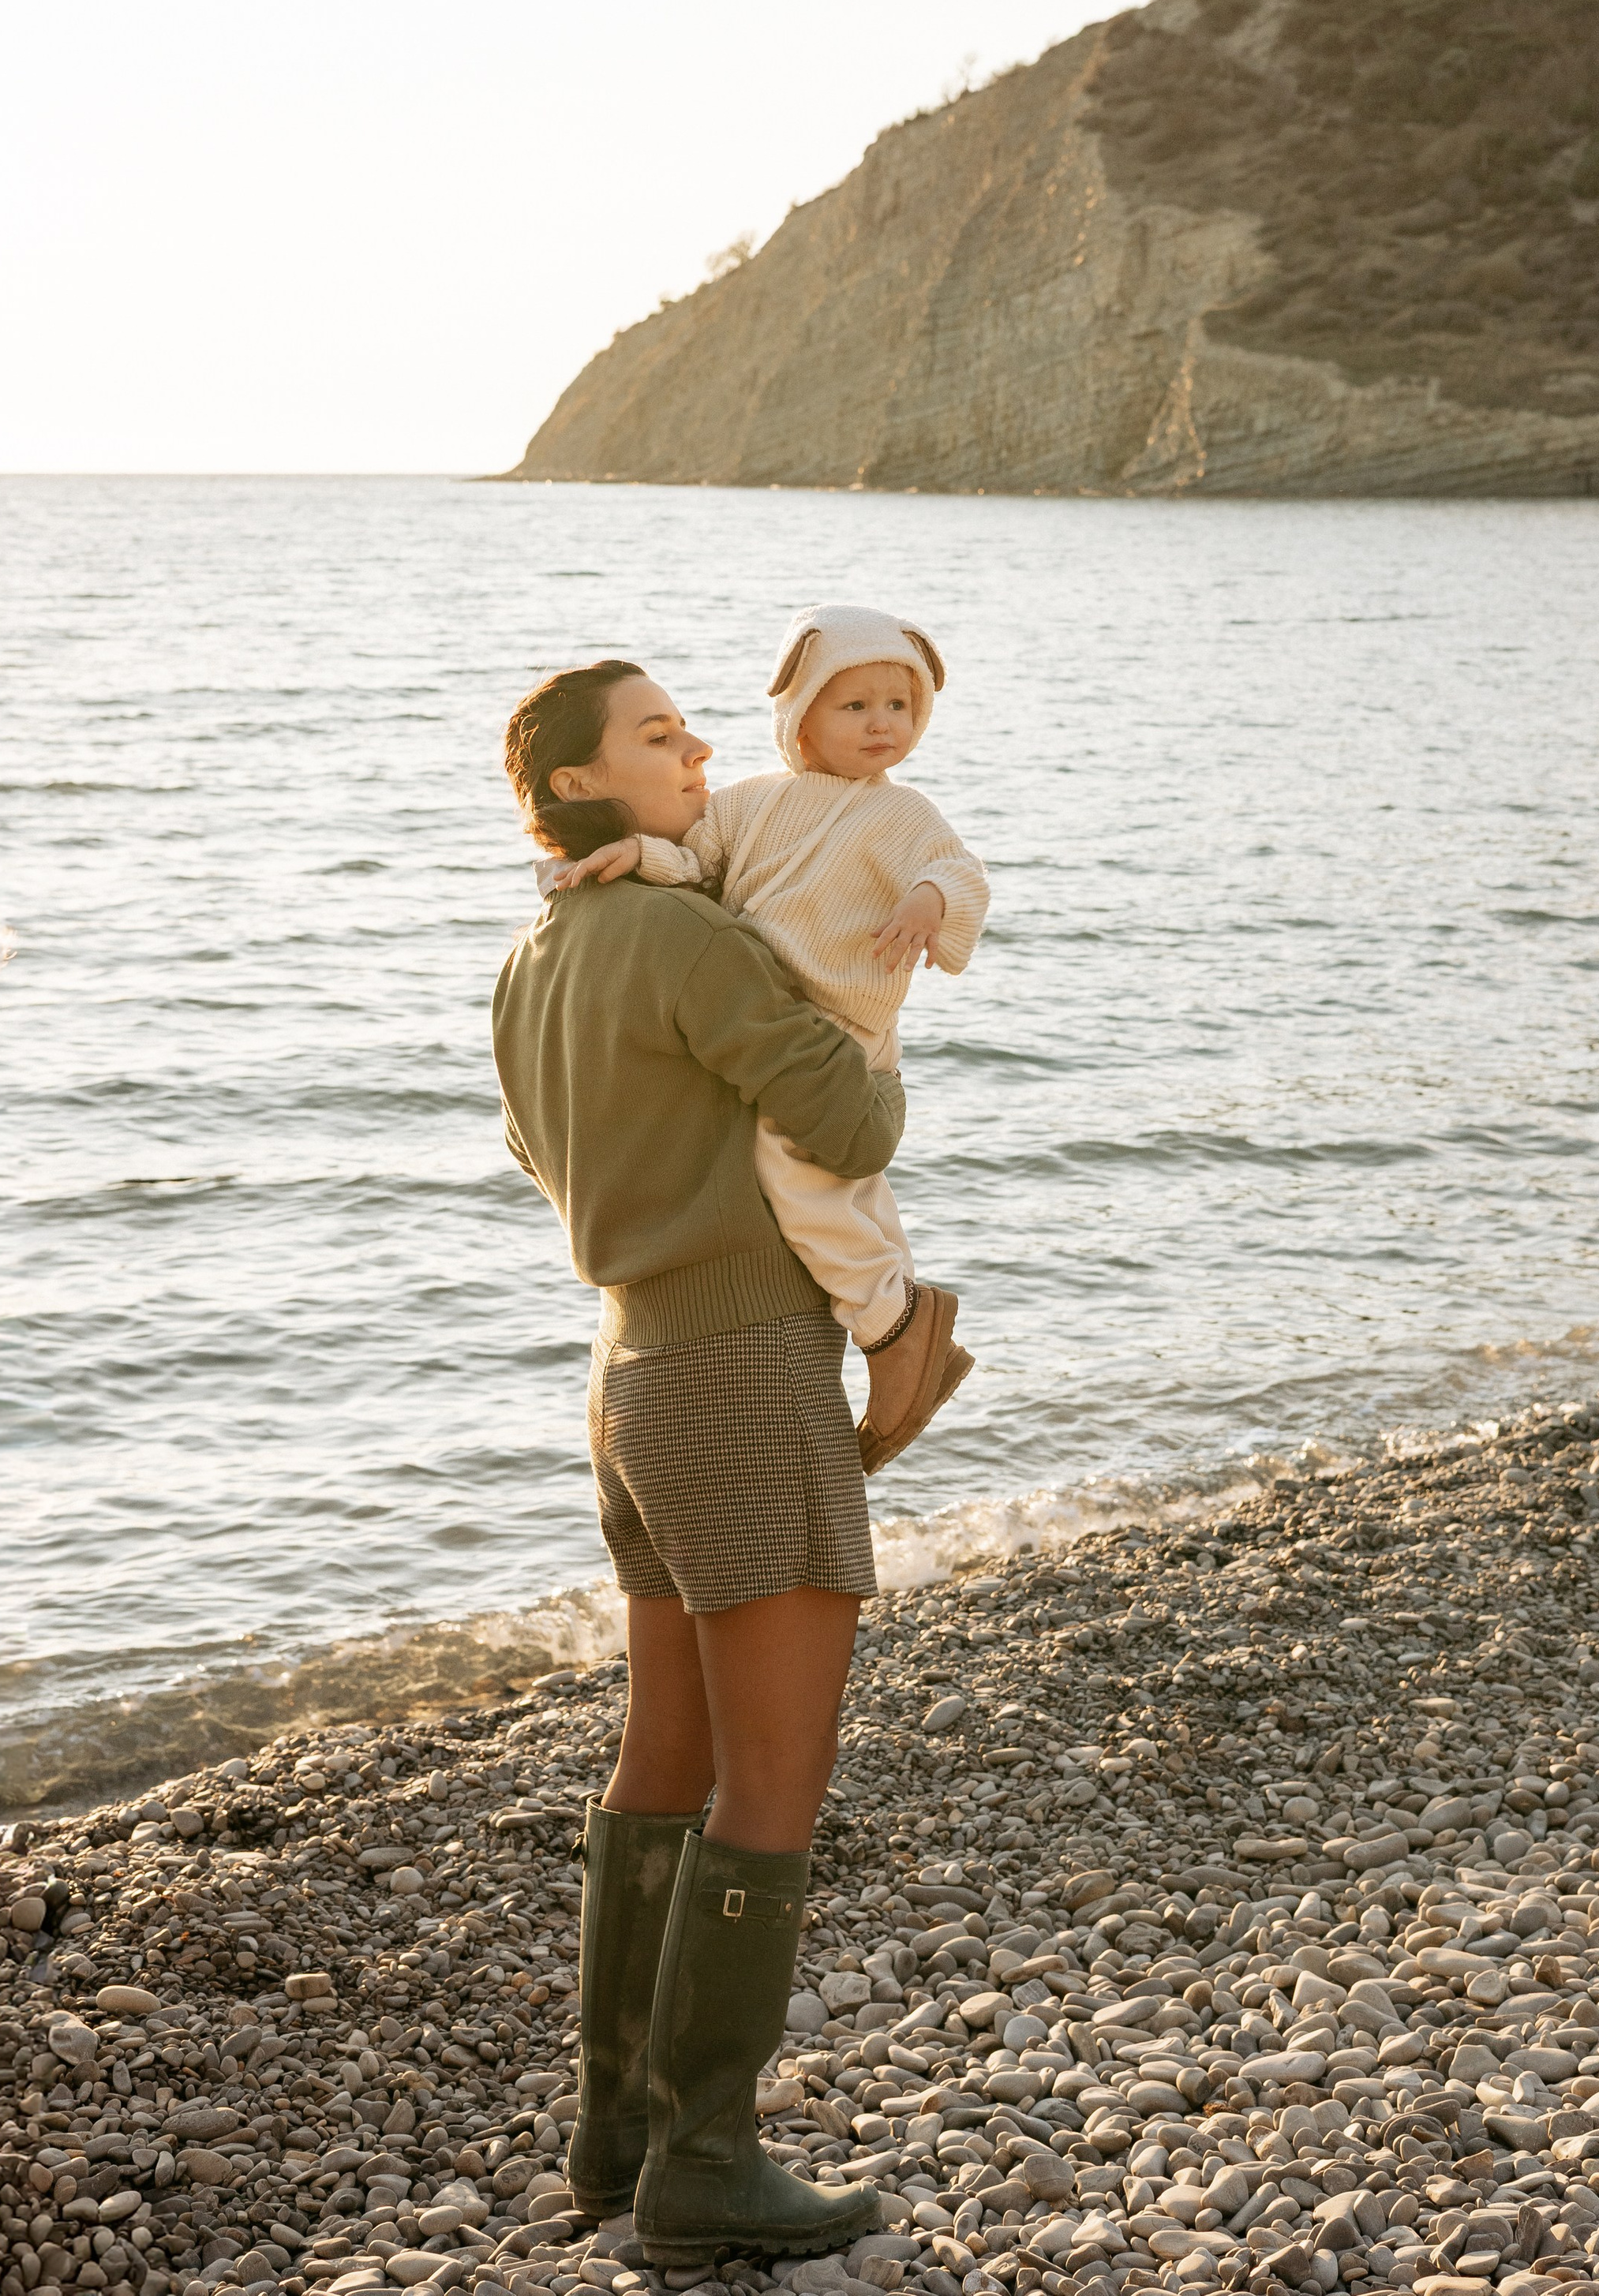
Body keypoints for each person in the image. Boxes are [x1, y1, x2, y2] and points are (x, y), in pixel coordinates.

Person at [492, 658, 939, 2268]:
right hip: (743, 1372)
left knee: (659, 1758)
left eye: (690, 728)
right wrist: (859, 1006)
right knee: (770, 1781)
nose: (693, 751)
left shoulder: (536, 955)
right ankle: (706, 2160)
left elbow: (541, 1156)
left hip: (629, 1374)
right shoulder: (686, 933)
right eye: (657, 736)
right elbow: (848, 1119)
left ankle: (615, 2134)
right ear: (585, 783)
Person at [551, 600, 987, 1471]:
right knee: (841, 1190)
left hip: (846, 1021)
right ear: (799, 714)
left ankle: (891, 1324)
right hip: (774, 1009)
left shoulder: (904, 816)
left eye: (898, 708)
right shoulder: (753, 802)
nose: (880, 725)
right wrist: (630, 859)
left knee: (804, 1174)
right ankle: (900, 1308)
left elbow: (960, 874)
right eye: (854, 705)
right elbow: (695, 860)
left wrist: (925, 904)